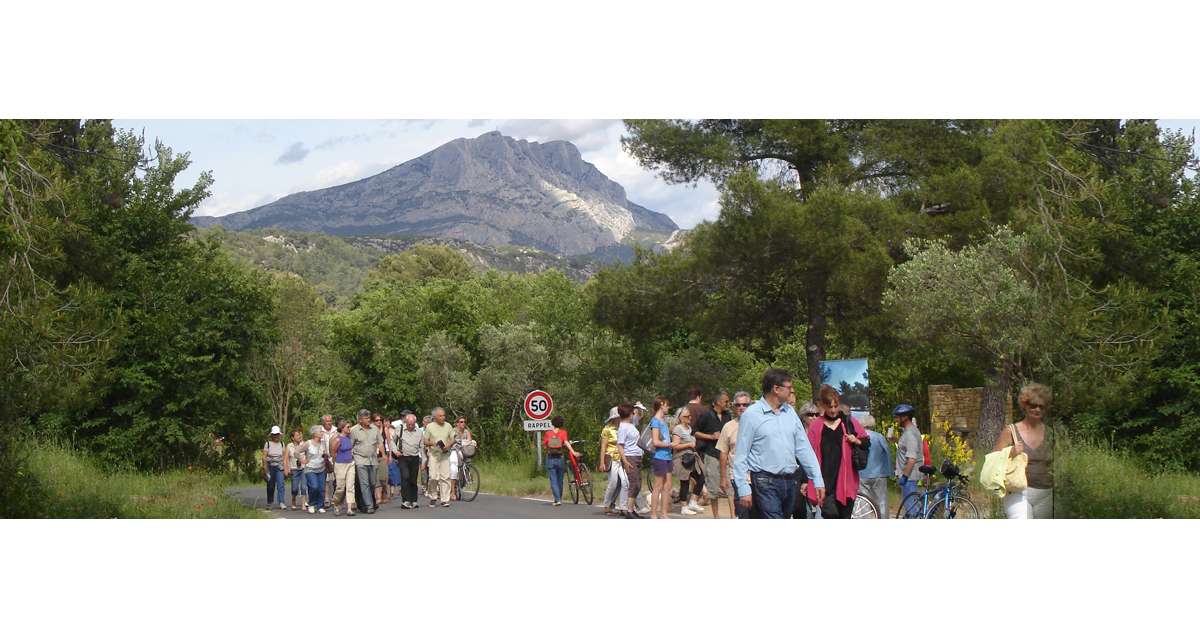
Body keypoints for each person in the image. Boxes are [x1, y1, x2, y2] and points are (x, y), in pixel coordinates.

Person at [732, 368, 825, 519]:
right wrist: (743, 488)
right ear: (776, 389)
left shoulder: (790, 413)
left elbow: (803, 448)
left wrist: (817, 478)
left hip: (790, 481)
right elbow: (741, 455)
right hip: (764, 481)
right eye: (789, 388)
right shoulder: (751, 415)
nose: (791, 391)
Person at [802, 385, 867, 519]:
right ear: (823, 406)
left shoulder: (849, 422)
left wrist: (856, 440)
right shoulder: (816, 426)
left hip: (846, 481)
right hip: (825, 482)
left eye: (835, 406)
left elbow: (866, 442)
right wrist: (805, 480)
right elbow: (807, 454)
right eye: (829, 407)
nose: (833, 410)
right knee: (830, 515)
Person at [994, 383, 1055, 519]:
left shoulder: (1051, 434)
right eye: (1033, 405)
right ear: (1024, 405)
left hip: (1046, 493)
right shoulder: (1010, 431)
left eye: (1041, 406)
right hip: (1017, 492)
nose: (1037, 409)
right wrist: (1011, 452)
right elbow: (992, 460)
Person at [692, 390, 731, 518]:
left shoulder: (728, 415)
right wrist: (710, 436)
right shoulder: (706, 415)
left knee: (730, 487)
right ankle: (716, 517)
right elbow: (695, 432)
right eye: (726, 401)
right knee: (713, 488)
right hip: (711, 454)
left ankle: (733, 516)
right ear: (718, 402)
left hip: (726, 455)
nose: (728, 403)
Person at [717, 391, 752, 519]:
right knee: (743, 514)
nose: (741, 407)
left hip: (759, 477)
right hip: (738, 477)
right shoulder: (728, 427)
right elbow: (723, 453)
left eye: (745, 404)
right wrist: (723, 478)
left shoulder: (759, 424)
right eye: (738, 405)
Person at [856, 414, 893, 518]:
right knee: (881, 501)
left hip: (862, 474)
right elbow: (887, 453)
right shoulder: (879, 436)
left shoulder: (858, 437)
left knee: (864, 502)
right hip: (879, 474)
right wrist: (890, 471)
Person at [671, 404, 704, 516]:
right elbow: (675, 446)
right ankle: (684, 507)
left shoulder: (689, 428)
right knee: (684, 482)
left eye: (690, 416)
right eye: (686, 416)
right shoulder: (677, 428)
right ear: (680, 417)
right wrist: (689, 444)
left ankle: (693, 502)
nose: (689, 418)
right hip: (682, 459)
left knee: (701, 477)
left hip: (691, 458)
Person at [350, 408, 384, 514]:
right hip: (360, 459)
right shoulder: (354, 430)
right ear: (360, 420)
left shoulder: (374, 429)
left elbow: (380, 443)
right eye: (366, 418)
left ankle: (369, 502)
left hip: (373, 459)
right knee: (364, 484)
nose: (369, 420)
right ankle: (369, 506)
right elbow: (350, 446)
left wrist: (384, 455)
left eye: (369, 417)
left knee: (373, 483)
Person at [613, 404, 644, 518]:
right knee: (634, 483)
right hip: (630, 456)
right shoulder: (623, 427)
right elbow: (620, 445)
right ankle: (629, 510)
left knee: (638, 484)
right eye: (633, 412)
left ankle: (632, 509)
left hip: (637, 456)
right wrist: (625, 461)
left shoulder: (631, 425)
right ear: (629, 414)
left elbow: (640, 417)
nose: (634, 414)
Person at [543, 415, 580, 506]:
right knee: (560, 479)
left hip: (551, 458)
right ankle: (559, 498)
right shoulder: (563, 432)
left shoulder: (548, 433)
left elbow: (545, 445)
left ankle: (557, 499)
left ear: (553, 423)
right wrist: (573, 452)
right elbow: (566, 443)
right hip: (560, 458)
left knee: (553, 480)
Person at [792, 400, 820, 519]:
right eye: (810, 414)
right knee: (801, 509)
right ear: (803, 417)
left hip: (817, 475)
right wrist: (804, 480)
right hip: (799, 476)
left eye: (816, 414)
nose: (814, 417)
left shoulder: (820, 432)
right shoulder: (798, 433)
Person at [894, 403, 923, 516]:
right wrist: (896, 440)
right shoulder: (909, 431)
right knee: (912, 509)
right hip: (910, 476)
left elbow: (911, 459)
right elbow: (907, 447)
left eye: (897, 417)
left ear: (905, 417)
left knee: (912, 511)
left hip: (910, 477)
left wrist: (904, 477)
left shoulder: (910, 434)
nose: (896, 420)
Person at [424, 407, 455, 507]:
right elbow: (425, 441)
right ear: (435, 417)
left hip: (445, 455)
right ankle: (433, 496)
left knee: (445, 477)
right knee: (433, 477)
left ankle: (445, 500)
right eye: (440, 416)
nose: (443, 417)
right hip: (434, 454)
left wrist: (448, 445)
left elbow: (452, 438)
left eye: (444, 415)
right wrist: (432, 442)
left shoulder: (448, 426)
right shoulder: (429, 426)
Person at [648, 397, 673, 519]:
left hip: (668, 456)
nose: (668, 407)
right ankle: (653, 513)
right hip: (660, 457)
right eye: (667, 405)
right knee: (658, 485)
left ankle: (664, 513)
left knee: (667, 485)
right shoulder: (655, 421)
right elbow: (656, 442)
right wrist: (669, 444)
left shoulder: (664, 421)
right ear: (661, 405)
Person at [598, 407, 624, 515]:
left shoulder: (623, 428)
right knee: (613, 482)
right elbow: (603, 446)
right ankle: (606, 505)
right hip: (611, 458)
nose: (619, 418)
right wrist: (602, 462)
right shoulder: (607, 429)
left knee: (623, 483)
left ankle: (613, 504)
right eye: (617, 416)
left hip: (622, 458)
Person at [396, 412, 423, 509]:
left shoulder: (419, 432)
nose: (410, 426)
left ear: (415, 423)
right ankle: (406, 500)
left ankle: (414, 500)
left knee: (413, 479)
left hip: (415, 457)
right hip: (403, 457)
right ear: (406, 422)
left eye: (412, 424)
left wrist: (424, 460)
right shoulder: (400, 429)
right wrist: (395, 451)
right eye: (409, 424)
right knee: (405, 477)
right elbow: (392, 442)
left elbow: (422, 446)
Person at [329, 419, 357, 516]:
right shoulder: (337, 439)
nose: (350, 429)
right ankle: (336, 504)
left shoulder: (349, 437)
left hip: (350, 463)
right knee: (340, 487)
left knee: (350, 486)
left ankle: (349, 508)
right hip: (340, 464)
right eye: (348, 427)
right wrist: (334, 464)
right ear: (342, 428)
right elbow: (333, 452)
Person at [302, 425, 329, 514]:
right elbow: (296, 452)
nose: (322, 433)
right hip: (310, 469)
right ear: (314, 433)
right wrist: (302, 460)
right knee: (314, 486)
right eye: (320, 431)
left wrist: (325, 455)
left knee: (321, 488)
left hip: (321, 468)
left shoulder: (323, 443)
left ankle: (320, 506)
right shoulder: (308, 443)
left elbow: (325, 454)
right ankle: (311, 504)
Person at [262, 426, 287, 511]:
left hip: (279, 467)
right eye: (274, 434)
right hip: (270, 467)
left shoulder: (282, 444)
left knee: (281, 485)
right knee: (270, 486)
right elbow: (264, 457)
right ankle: (270, 502)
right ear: (272, 435)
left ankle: (281, 502)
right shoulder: (268, 444)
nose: (276, 436)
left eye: (277, 434)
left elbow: (284, 457)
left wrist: (285, 468)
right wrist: (265, 469)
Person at [449, 416, 473, 500]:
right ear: (457, 423)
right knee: (454, 469)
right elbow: (451, 440)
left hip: (463, 451)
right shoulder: (453, 431)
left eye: (464, 422)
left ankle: (465, 478)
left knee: (468, 462)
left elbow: (470, 440)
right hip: (454, 450)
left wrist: (467, 442)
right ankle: (452, 491)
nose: (463, 423)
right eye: (461, 422)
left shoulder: (467, 431)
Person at [283, 429, 308, 511]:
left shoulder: (304, 444)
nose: (299, 436)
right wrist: (286, 469)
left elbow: (308, 455)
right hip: (294, 469)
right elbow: (286, 459)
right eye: (297, 435)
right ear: (292, 438)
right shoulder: (289, 446)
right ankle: (293, 500)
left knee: (304, 487)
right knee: (294, 488)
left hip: (303, 468)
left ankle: (303, 504)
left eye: (300, 435)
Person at [319, 414, 337, 508]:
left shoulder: (336, 430)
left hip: (335, 457)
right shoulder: (319, 431)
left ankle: (334, 497)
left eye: (330, 421)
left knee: (335, 478)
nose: (329, 423)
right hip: (323, 457)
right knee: (325, 479)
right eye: (327, 421)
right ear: (323, 422)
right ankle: (326, 498)